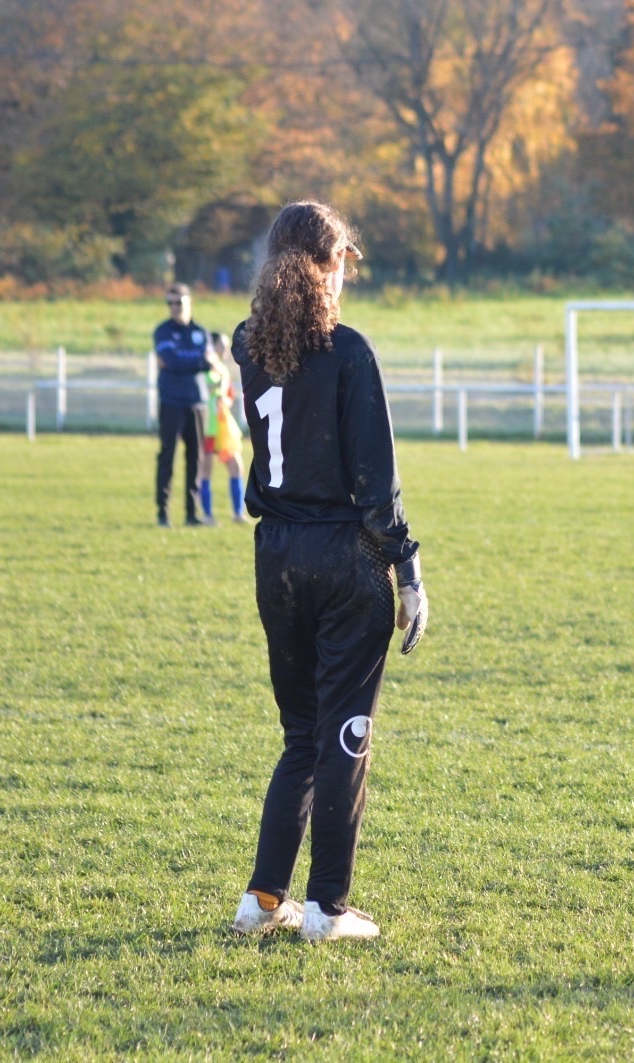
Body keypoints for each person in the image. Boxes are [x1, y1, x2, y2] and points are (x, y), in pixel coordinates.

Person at [229, 201, 429, 943]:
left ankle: (262, 900)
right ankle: (327, 909)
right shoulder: (349, 352)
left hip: (277, 554)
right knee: (345, 735)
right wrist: (409, 570)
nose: (347, 273)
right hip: (345, 557)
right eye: (343, 259)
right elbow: (377, 483)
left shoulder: (248, 345)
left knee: (300, 735)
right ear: (328, 264)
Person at [153, 283, 214, 527]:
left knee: (196, 459)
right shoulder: (163, 331)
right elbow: (170, 360)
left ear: (189, 302)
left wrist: (190, 360)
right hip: (171, 402)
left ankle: (191, 513)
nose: (174, 307)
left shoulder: (201, 331)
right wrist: (199, 360)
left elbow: (207, 361)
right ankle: (163, 513)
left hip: (197, 402)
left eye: (178, 302)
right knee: (167, 456)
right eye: (169, 303)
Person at [198, 333, 248, 524]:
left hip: (223, 424)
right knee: (206, 469)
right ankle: (207, 515)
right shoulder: (204, 366)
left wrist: (225, 400)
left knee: (236, 466)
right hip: (208, 425)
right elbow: (207, 387)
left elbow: (228, 396)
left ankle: (238, 513)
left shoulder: (222, 368)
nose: (226, 350)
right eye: (222, 346)